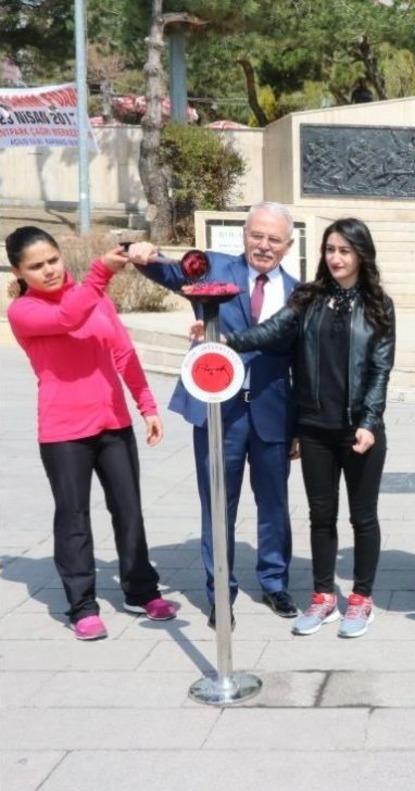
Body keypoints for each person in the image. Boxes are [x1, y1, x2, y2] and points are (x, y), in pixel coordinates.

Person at [203, 219, 395, 638]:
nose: (336, 258)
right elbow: (270, 331)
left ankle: (361, 599)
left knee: (362, 517)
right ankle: (323, 597)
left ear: (361, 254)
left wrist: (369, 421)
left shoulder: (378, 304)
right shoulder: (308, 298)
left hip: (359, 431)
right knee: (320, 516)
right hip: (314, 427)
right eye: (330, 249)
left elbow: (381, 368)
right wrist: (224, 340)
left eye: (345, 250)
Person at [128, 202, 299, 628]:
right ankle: (220, 592)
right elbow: (169, 272)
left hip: (273, 411)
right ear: (244, 234)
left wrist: (299, 424)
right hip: (219, 411)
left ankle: (275, 582)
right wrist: (143, 253)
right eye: (256, 235)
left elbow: (302, 362)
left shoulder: (299, 292)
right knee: (218, 504)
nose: (264, 245)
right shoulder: (213, 268)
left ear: (288, 245)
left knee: (274, 504)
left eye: (274, 239)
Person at [6, 228, 177, 640]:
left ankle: (141, 590)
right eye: (36, 266)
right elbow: (67, 317)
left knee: (129, 510)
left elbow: (123, 352)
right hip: (63, 432)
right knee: (74, 517)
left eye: (53, 260)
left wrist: (147, 405)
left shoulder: (93, 296)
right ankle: (82, 606)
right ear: (19, 272)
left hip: (113, 423)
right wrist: (101, 271)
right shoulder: (24, 311)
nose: (49, 270)